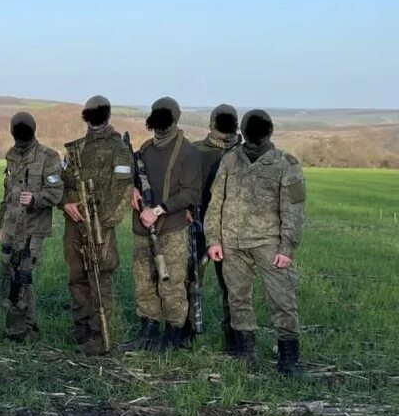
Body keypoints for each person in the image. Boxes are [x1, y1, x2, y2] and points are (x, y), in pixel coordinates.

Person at [205, 110, 307, 375]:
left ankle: (289, 358)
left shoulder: (286, 163)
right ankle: (244, 351)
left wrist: (287, 247)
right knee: (238, 298)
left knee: (282, 299)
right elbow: (216, 202)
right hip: (232, 243)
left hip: (269, 244)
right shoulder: (230, 159)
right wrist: (213, 239)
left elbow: (294, 209)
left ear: (269, 131)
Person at [61, 95, 134, 355]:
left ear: (107, 115)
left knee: (99, 277)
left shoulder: (119, 149)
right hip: (75, 223)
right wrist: (65, 203)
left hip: (101, 227)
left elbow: (123, 192)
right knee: (77, 276)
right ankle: (81, 328)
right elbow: (62, 182)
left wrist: (102, 223)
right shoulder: (76, 149)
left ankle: (99, 334)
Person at [129, 96, 202, 351]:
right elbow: (133, 179)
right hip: (142, 229)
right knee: (144, 283)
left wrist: (159, 210)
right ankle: (148, 332)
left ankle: (172, 337)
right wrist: (131, 190)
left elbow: (192, 193)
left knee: (171, 285)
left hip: (172, 229)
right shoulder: (145, 149)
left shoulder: (189, 152)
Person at [0, 111, 64, 339]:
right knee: (10, 272)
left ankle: (20, 329)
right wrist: (2, 224)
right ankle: (25, 325)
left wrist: (36, 198)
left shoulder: (48, 156)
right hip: (10, 227)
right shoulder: (11, 155)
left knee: (23, 275)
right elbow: (7, 193)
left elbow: (56, 193)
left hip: (32, 228)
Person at [192, 104, 241, 350]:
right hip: (198, 226)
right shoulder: (195, 151)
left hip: (232, 230)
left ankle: (236, 336)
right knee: (192, 281)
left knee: (233, 287)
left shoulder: (243, 154)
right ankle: (188, 329)